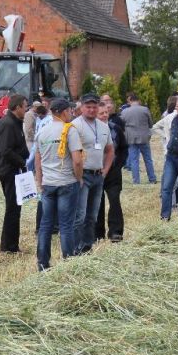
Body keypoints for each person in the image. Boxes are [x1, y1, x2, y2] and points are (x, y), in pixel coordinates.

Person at [34, 98, 83, 271]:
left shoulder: (42, 131)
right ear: (63, 112)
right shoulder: (69, 130)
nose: (71, 113)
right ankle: (68, 262)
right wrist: (79, 178)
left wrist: (40, 182)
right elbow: (77, 160)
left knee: (45, 225)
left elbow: (37, 161)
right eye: (70, 111)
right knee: (66, 225)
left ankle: (42, 263)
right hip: (66, 182)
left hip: (48, 184)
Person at [72, 94, 114, 253]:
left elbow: (110, 150)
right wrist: (78, 176)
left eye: (94, 106)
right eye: (88, 106)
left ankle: (87, 247)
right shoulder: (75, 126)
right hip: (83, 176)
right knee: (80, 215)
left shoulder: (103, 127)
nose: (91, 109)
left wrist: (105, 170)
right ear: (81, 107)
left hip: (98, 176)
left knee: (92, 216)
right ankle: (76, 249)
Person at [0, 94, 30, 253]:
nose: (26, 109)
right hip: (9, 171)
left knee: (16, 208)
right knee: (12, 208)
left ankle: (11, 244)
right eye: (25, 106)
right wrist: (24, 162)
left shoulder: (15, 123)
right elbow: (6, 150)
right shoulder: (8, 124)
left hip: (15, 170)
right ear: (17, 108)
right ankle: (8, 246)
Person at [96, 96, 128, 242]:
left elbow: (123, 148)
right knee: (97, 202)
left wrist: (119, 164)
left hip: (113, 172)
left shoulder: (115, 129)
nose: (104, 115)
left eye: (106, 113)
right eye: (101, 113)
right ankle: (97, 233)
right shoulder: (91, 130)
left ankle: (115, 232)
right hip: (96, 171)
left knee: (114, 201)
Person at [120, 92, 156, 184]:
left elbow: (121, 125)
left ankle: (136, 181)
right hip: (144, 137)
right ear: (138, 100)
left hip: (131, 138)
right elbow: (150, 124)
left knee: (134, 160)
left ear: (130, 100)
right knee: (148, 159)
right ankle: (152, 179)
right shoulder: (145, 109)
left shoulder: (125, 111)